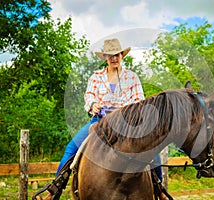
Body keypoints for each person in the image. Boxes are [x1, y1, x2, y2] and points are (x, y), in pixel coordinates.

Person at [34, 38, 168, 200]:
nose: (114, 58)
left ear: (122, 55)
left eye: (117, 54)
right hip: (99, 121)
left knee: (152, 150)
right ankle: (54, 190)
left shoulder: (131, 77)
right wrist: (93, 104)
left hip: (126, 124)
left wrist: (125, 112)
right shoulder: (96, 77)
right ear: (105, 57)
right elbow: (89, 96)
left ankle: (159, 189)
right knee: (71, 149)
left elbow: (138, 100)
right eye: (110, 55)